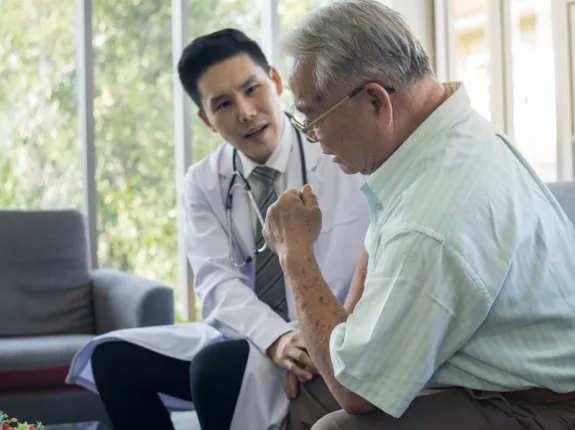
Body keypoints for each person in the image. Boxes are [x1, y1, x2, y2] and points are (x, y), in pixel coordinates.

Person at [260, 1, 575, 429]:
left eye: (314, 117)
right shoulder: (439, 133)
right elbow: (357, 332)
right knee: (306, 386)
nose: (314, 137)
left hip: (542, 405)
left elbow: (357, 393)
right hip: (496, 371)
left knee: (335, 426)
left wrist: (294, 255)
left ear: (375, 101)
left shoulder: (432, 219)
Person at [65, 28, 369, 430]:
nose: (245, 111)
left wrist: (319, 337)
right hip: (254, 333)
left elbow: (372, 254)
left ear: (276, 82)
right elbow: (216, 282)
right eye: (223, 103)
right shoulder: (204, 181)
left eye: (252, 89)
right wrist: (277, 338)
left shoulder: (334, 152)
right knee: (111, 359)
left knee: (215, 371)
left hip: (331, 326)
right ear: (206, 119)